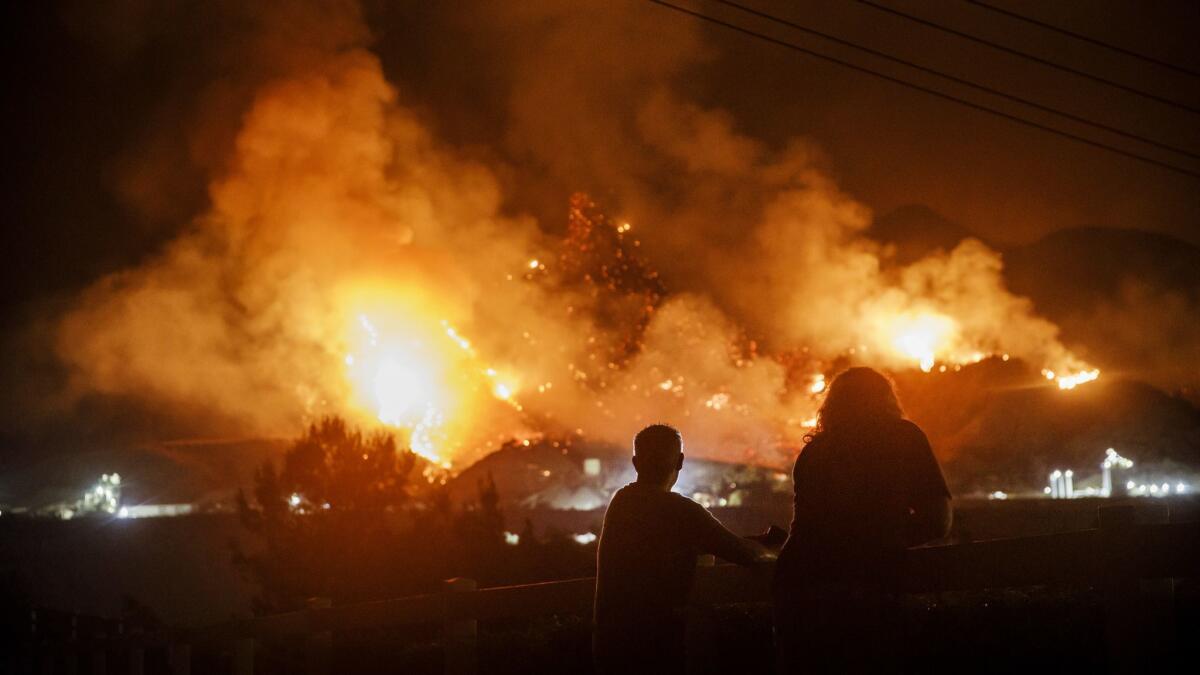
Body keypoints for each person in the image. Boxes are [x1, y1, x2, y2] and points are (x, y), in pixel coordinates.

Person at [773, 367, 951, 673]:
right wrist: (885, 538)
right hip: (866, 587)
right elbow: (938, 519)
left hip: (799, 586)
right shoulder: (904, 437)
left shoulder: (814, 452)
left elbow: (806, 527)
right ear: (886, 399)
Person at [593, 424, 773, 674]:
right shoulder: (681, 511)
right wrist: (769, 549)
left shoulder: (622, 502)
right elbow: (746, 554)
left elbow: (654, 546)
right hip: (656, 651)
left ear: (635, 463)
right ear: (680, 461)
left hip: (612, 650)